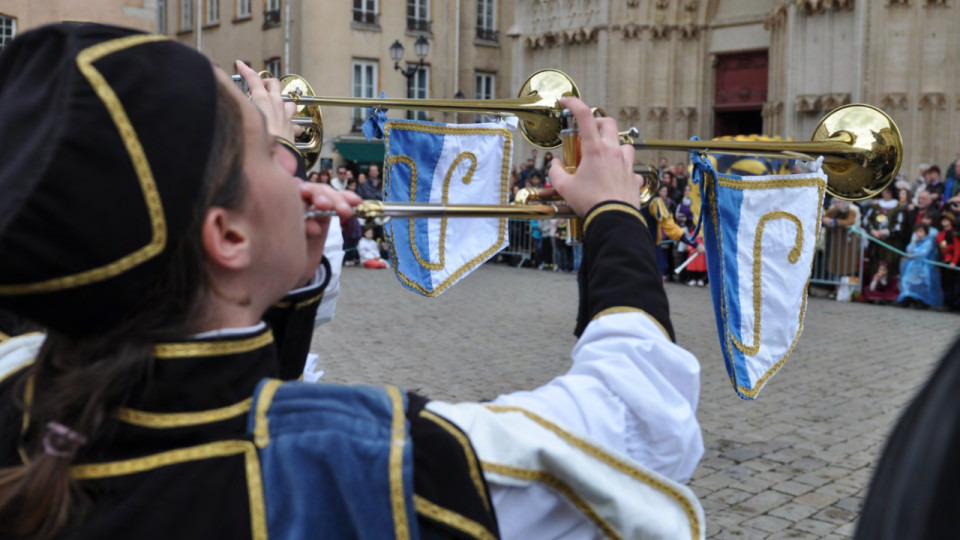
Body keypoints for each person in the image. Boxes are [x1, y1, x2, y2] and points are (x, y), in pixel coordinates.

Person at [0, 23, 703, 540]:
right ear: (227, 237)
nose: (294, 170)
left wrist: (264, 292)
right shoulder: (358, 458)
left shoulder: (24, 393)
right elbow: (632, 426)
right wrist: (615, 215)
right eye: (269, 152)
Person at [897, 224, 943, 308]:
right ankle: (907, 297)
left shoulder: (929, 241)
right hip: (911, 265)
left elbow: (924, 252)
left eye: (921, 231)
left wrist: (913, 255)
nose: (919, 233)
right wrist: (914, 242)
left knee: (922, 283)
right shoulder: (915, 239)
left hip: (923, 266)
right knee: (907, 280)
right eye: (917, 231)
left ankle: (921, 301)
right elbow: (908, 250)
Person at [936, 212, 960, 310]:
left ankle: (950, 304)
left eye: (946, 220)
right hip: (943, 261)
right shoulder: (941, 234)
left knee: (951, 284)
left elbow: (958, 249)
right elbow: (939, 249)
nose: (944, 222)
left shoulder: (954, 234)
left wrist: (954, 262)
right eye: (943, 220)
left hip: (952, 262)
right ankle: (945, 303)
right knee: (944, 283)